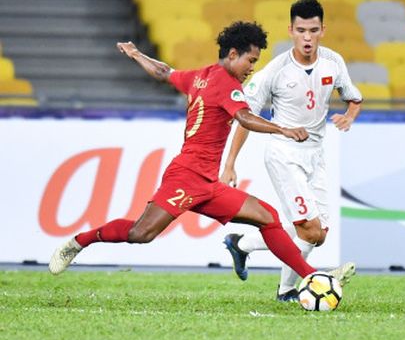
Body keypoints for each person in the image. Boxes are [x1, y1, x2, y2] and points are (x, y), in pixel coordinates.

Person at [49, 21, 352, 284]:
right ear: (233, 54)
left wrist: (137, 54)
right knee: (140, 233)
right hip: (186, 177)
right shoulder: (228, 84)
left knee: (267, 217)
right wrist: (283, 129)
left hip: (208, 183)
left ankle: (312, 276)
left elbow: (165, 72)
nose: (251, 68)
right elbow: (244, 117)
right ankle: (78, 242)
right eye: (250, 60)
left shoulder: (199, 76)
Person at [220, 0, 362, 302]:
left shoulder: (334, 63)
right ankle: (288, 284)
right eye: (301, 30)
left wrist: (349, 116)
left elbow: (354, 97)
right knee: (309, 229)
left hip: (316, 153)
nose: (307, 37)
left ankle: (248, 250)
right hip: (284, 153)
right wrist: (230, 162)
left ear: (323, 30)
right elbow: (245, 117)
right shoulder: (277, 70)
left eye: (313, 30)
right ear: (291, 30)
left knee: (318, 233)